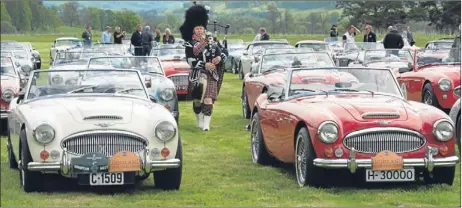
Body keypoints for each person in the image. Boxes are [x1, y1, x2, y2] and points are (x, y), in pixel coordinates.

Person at [180, 3, 226, 131]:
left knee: (208, 99)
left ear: (204, 29)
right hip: (197, 75)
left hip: (211, 74)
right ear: (193, 30)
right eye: (197, 28)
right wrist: (204, 64)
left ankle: (206, 125)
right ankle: (199, 119)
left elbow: (222, 53)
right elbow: (190, 60)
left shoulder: (213, 42)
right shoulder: (189, 44)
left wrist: (219, 58)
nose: (199, 30)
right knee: (197, 101)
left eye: (201, 28)